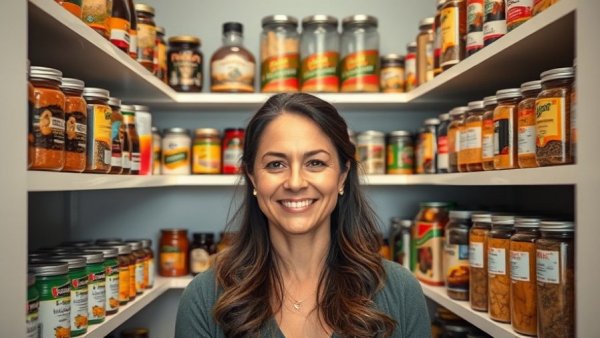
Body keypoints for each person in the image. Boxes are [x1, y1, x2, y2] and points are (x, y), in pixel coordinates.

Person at [175, 93, 430, 337]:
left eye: (315, 163)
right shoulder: (204, 298)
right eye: (276, 164)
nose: (295, 182)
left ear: (342, 176)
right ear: (252, 177)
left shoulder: (401, 291)